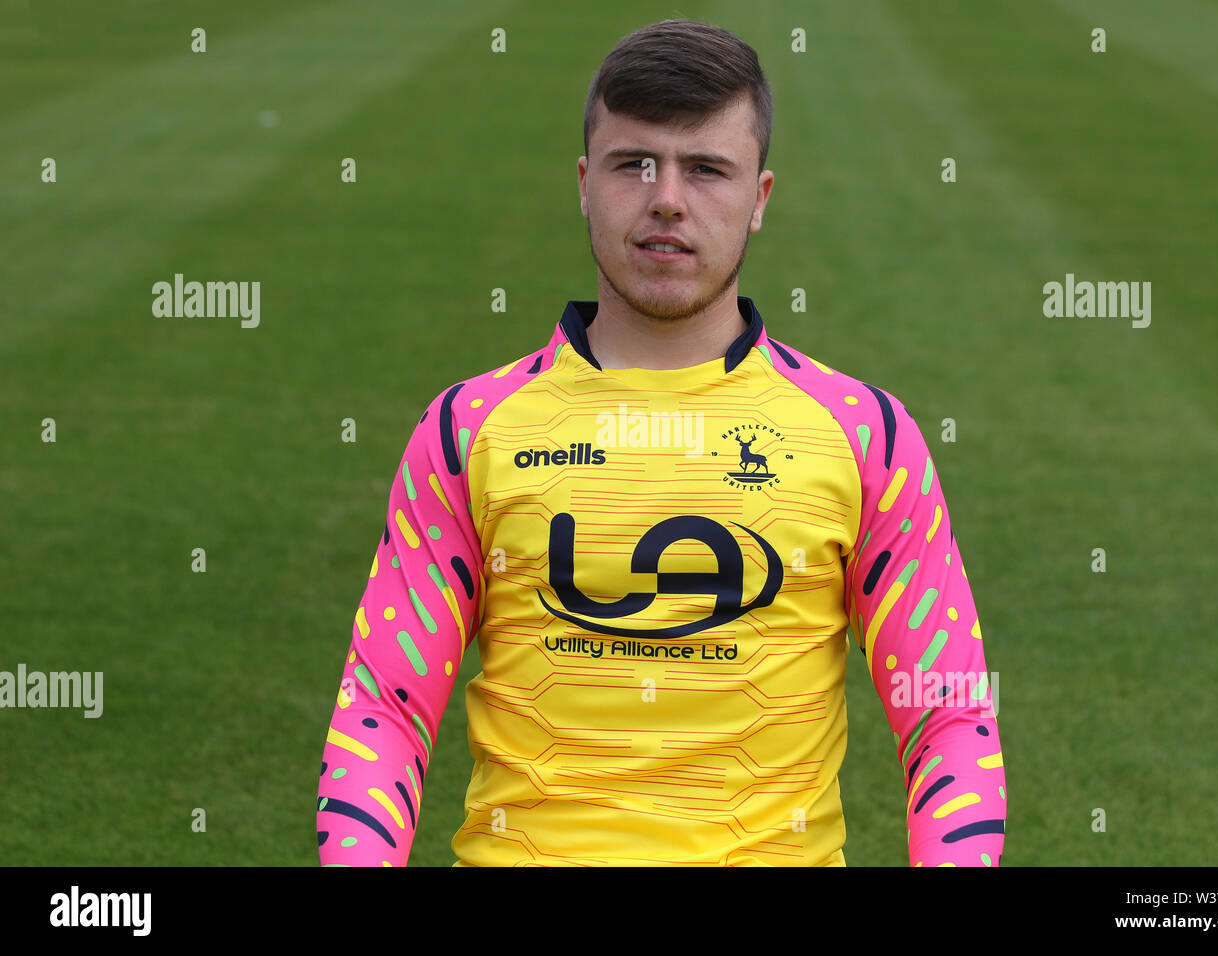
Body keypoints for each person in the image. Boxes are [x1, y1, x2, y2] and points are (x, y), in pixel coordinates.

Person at [317, 18, 1005, 866]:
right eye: (633, 164)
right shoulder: (467, 431)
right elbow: (384, 706)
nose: (667, 198)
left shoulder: (866, 436)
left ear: (759, 197)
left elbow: (947, 712)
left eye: (707, 169)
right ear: (583, 183)